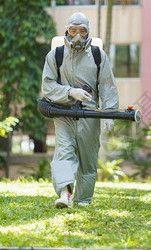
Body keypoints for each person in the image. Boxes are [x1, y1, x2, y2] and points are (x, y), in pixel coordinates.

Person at [42, 12, 119, 208]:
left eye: (82, 31)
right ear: (66, 31)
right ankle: (65, 194)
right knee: (64, 152)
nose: (77, 35)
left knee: (88, 159)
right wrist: (70, 92)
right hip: (64, 112)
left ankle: (83, 200)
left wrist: (109, 114)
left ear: (88, 32)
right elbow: (48, 86)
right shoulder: (55, 55)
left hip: (90, 113)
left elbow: (108, 86)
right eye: (73, 30)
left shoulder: (97, 55)